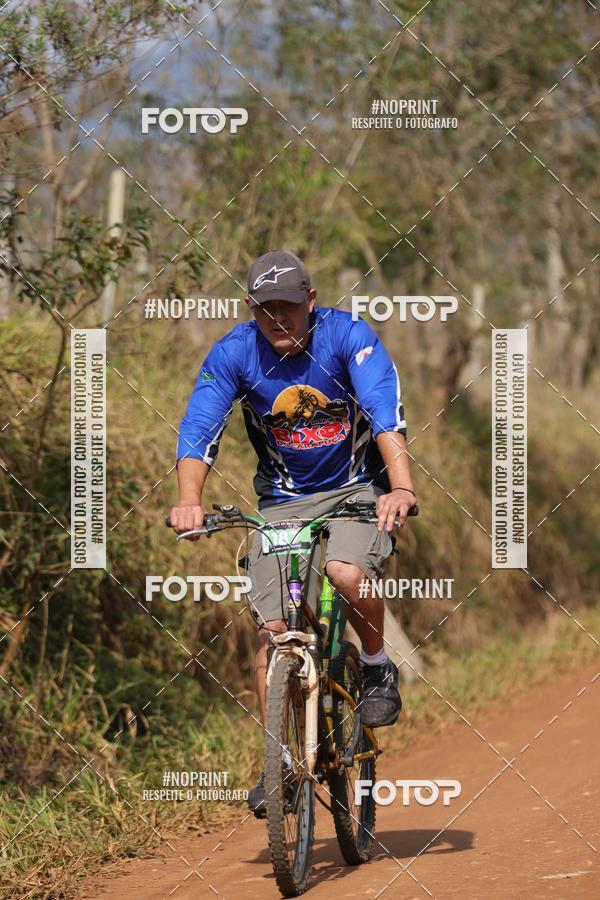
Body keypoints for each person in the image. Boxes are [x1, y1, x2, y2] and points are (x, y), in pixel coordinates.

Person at [169, 250, 416, 817]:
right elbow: (200, 426)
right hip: (282, 504)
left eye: (287, 306)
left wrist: (400, 487)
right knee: (274, 627)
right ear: (252, 309)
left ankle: (376, 665)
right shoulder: (235, 352)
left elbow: (384, 413)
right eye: (264, 309)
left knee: (345, 571)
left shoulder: (348, 336)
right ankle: (279, 760)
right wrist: (189, 502)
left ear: (310, 301)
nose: (277, 319)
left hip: (357, 491)